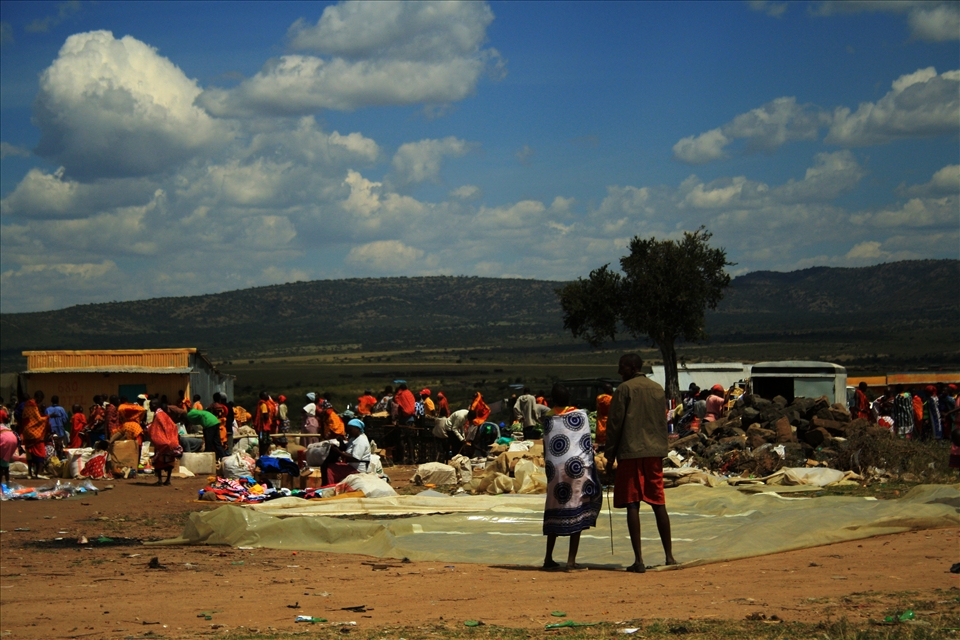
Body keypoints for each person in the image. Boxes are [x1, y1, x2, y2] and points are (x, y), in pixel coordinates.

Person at [605, 353, 677, 572]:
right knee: (658, 503)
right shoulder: (657, 388)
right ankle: (669, 556)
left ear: (632, 368)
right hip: (654, 453)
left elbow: (615, 425)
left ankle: (639, 560)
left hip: (630, 452)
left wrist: (609, 456)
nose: (619, 371)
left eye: (622, 367)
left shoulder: (624, 390)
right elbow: (662, 422)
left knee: (632, 503)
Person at [542, 383, 602, 571]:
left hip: (554, 470)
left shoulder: (547, 418)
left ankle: (548, 558)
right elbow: (585, 443)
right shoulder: (580, 415)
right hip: (575, 468)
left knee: (553, 506)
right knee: (577, 507)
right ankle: (571, 561)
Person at [325, 419, 372, 484]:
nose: (349, 432)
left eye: (350, 430)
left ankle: (330, 486)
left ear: (357, 429)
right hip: (351, 466)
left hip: (357, 469)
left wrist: (339, 452)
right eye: (348, 430)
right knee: (330, 465)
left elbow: (355, 458)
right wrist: (341, 441)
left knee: (330, 469)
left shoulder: (361, 440)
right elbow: (346, 448)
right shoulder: (353, 438)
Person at [148, 400, 181, 485]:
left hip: (162, 442)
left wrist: (149, 428)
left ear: (155, 405)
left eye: (151, 405)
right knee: (169, 461)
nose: (149, 407)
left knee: (159, 461)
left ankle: (160, 480)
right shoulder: (163, 414)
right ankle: (168, 480)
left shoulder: (159, 415)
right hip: (169, 441)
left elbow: (156, 428)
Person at [20, 390, 50, 479]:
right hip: (34, 432)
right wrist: (48, 417)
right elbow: (38, 419)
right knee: (41, 452)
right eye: (41, 399)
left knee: (29, 452)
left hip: (26, 431)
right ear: (38, 397)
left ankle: (30, 473)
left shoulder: (26, 405)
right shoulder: (33, 405)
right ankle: (39, 472)